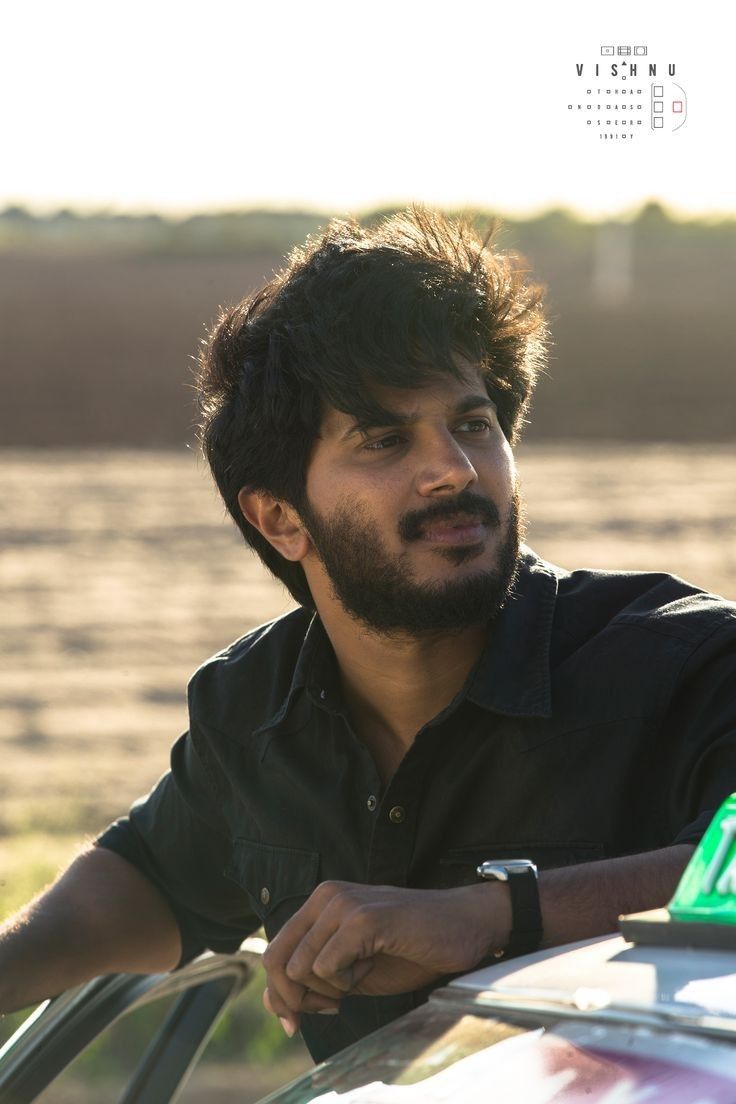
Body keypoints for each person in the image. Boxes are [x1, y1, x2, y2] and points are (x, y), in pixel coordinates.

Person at [2, 207, 735, 1064]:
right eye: (387, 440)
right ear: (280, 519)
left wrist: (492, 916)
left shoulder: (681, 664)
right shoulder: (255, 713)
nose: (455, 471)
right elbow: (146, 884)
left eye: (472, 424)